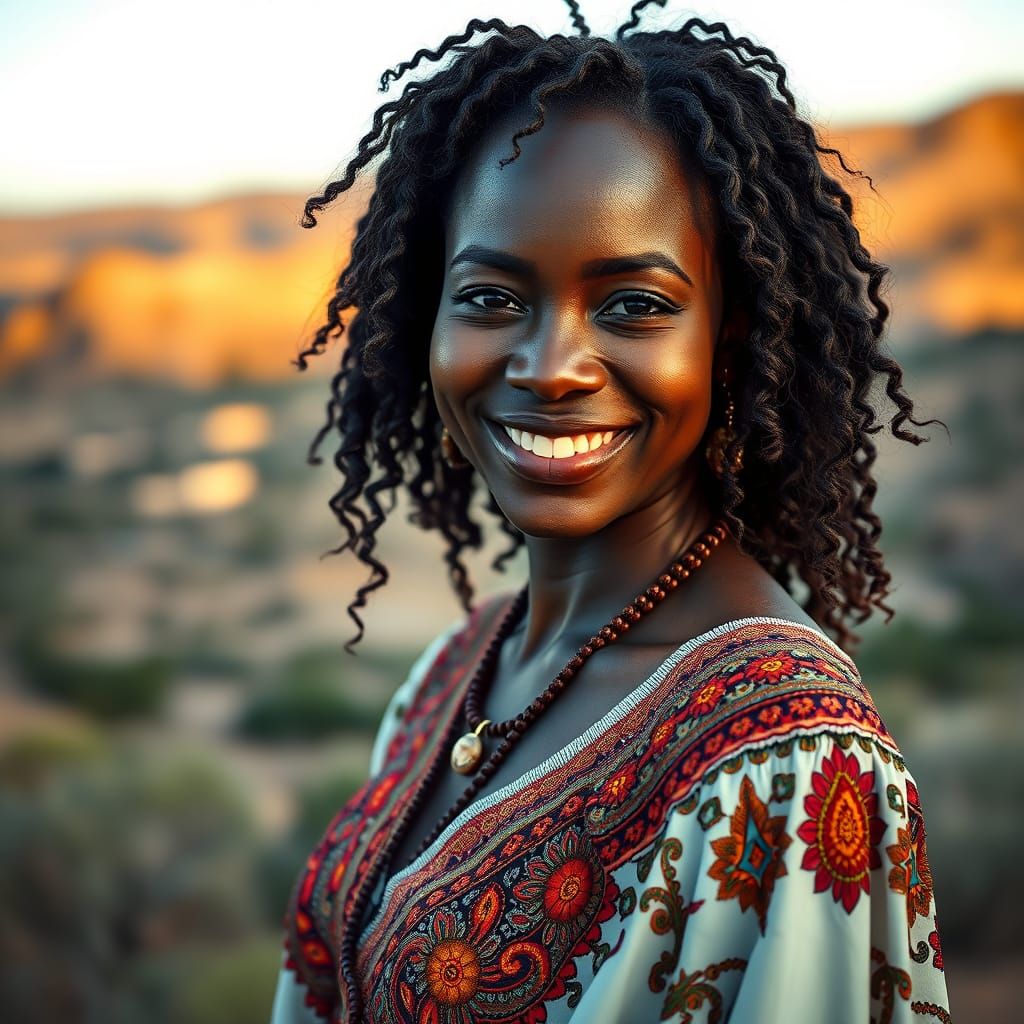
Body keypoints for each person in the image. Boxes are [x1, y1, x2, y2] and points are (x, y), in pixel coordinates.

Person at [270, 3, 952, 1021]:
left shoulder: (793, 759)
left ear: (731, 337)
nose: (551, 367)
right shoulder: (454, 672)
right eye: (491, 297)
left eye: (634, 304)